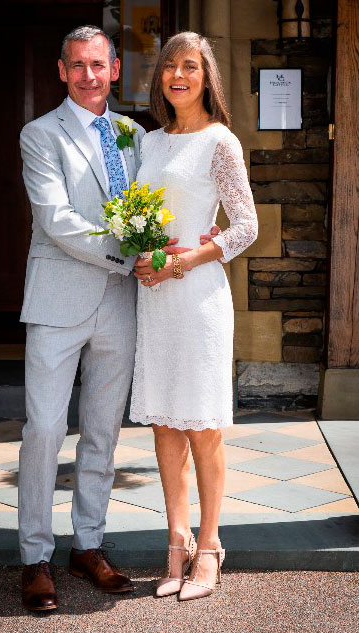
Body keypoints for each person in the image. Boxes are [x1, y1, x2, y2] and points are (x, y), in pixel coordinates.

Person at [18, 25, 146, 611]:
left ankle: (88, 545)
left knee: (102, 430)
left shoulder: (132, 135)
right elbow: (57, 220)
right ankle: (35, 557)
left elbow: (152, 206)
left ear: (115, 69)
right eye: (77, 66)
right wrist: (131, 255)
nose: (88, 75)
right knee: (44, 430)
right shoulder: (40, 134)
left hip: (121, 303)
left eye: (98, 64)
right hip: (57, 300)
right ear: (61, 70)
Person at [130, 31, 258, 602]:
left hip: (198, 295)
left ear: (206, 77)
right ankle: (175, 546)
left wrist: (187, 258)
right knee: (164, 427)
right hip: (154, 297)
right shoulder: (149, 145)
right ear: (159, 77)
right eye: (169, 67)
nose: (177, 75)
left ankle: (209, 549)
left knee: (203, 428)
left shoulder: (219, 141)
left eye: (190, 66)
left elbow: (245, 226)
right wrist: (140, 251)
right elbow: (143, 217)